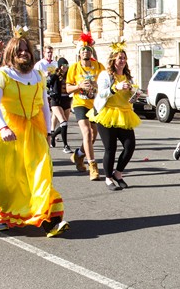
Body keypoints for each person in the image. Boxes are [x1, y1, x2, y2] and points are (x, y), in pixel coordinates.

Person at [0, 30, 68, 237]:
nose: (24, 54)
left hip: (34, 130)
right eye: (19, 51)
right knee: (9, 178)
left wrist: (48, 132)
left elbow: (44, 107)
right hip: (8, 133)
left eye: (27, 51)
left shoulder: (38, 75)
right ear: (10, 54)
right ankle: (1, 215)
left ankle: (50, 220)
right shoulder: (0, 75)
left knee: (41, 174)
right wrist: (4, 127)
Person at [90, 44, 141, 190]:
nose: (123, 61)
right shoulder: (105, 75)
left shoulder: (127, 77)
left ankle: (118, 173)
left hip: (124, 114)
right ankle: (108, 178)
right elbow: (101, 93)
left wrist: (135, 94)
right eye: (120, 58)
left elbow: (130, 98)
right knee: (110, 148)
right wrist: (115, 88)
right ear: (113, 60)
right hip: (107, 113)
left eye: (124, 58)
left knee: (130, 145)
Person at [66, 33, 105, 180]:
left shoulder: (99, 67)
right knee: (87, 133)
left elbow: (105, 83)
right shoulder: (74, 68)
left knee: (94, 135)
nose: (85, 52)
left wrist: (96, 84)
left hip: (94, 104)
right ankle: (93, 167)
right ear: (79, 53)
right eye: (82, 50)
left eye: (87, 49)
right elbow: (68, 88)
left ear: (91, 52)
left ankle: (78, 155)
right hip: (80, 103)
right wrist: (79, 86)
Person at [47, 58, 72, 152]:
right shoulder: (55, 75)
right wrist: (50, 92)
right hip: (56, 101)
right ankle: (66, 146)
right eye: (63, 66)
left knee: (64, 125)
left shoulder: (69, 75)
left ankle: (53, 135)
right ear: (60, 66)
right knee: (64, 122)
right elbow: (48, 84)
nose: (65, 68)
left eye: (67, 66)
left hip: (66, 100)